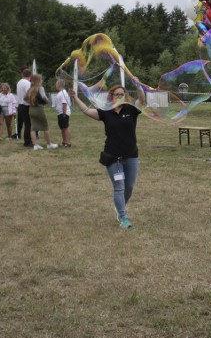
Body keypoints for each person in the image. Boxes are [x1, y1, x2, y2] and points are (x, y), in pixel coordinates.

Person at [71, 84, 143, 229]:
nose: (119, 96)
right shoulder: (106, 112)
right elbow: (86, 110)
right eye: (116, 94)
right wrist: (75, 97)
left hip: (131, 155)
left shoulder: (131, 109)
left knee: (129, 187)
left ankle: (119, 207)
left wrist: (138, 84)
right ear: (111, 96)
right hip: (112, 156)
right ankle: (123, 216)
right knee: (119, 187)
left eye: (122, 94)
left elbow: (142, 99)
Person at [26, 74, 58, 150]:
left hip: (31, 109)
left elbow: (26, 99)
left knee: (33, 128)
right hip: (39, 109)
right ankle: (49, 144)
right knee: (45, 127)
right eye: (41, 79)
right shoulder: (40, 88)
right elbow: (43, 97)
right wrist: (47, 101)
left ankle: (35, 145)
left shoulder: (30, 89)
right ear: (39, 80)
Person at [52, 80, 72, 147]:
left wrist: (64, 113)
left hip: (64, 113)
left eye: (56, 84)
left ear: (59, 85)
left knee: (65, 127)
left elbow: (64, 104)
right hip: (60, 113)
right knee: (62, 128)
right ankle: (64, 141)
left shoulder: (63, 93)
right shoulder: (60, 93)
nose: (55, 85)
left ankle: (68, 142)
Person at [15, 68, 32, 146]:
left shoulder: (19, 82)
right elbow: (29, 94)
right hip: (26, 105)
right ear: (30, 75)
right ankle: (27, 141)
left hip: (20, 105)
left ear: (22, 74)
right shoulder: (27, 83)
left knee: (26, 123)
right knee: (28, 124)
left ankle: (27, 140)